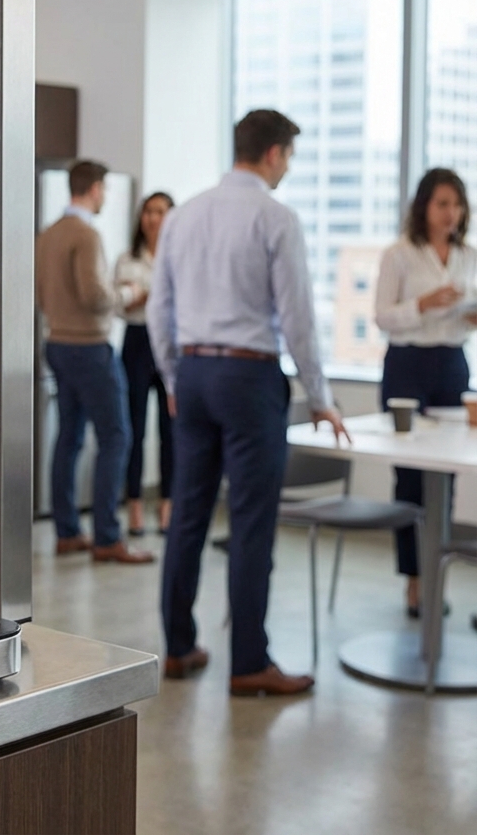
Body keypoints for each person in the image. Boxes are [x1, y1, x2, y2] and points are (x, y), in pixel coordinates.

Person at [147, 109, 348, 697]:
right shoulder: (276, 217)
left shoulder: (183, 216)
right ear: (274, 154)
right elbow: (298, 319)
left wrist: (174, 380)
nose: (287, 166)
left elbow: (161, 309)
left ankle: (179, 649)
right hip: (250, 377)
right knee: (252, 523)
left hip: (196, 373)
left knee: (187, 516)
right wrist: (320, 397)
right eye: (289, 156)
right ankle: (248, 663)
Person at [36, 160, 155, 564]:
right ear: (94, 188)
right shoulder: (86, 235)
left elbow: (41, 295)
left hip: (56, 343)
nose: (104, 196)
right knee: (116, 437)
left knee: (68, 438)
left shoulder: (47, 234)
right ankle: (107, 538)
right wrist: (129, 293)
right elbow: (95, 296)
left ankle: (68, 532)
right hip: (89, 347)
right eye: (103, 189)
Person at [374, 167, 477, 617]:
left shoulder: (468, 256)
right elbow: (381, 316)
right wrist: (423, 304)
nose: (450, 213)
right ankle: (414, 582)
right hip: (407, 367)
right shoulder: (399, 255)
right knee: (410, 479)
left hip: (451, 365)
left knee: (447, 475)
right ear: (424, 207)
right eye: (441, 204)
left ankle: (438, 579)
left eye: (456, 204)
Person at [115, 192, 175, 537]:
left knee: (171, 432)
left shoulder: (179, 256)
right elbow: (121, 306)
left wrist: (143, 295)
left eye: (161, 212)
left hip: (168, 341)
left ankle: (167, 506)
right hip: (137, 342)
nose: (153, 218)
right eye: (149, 212)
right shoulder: (127, 259)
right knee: (133, 430)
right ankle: (135, 508)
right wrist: (147, 297)